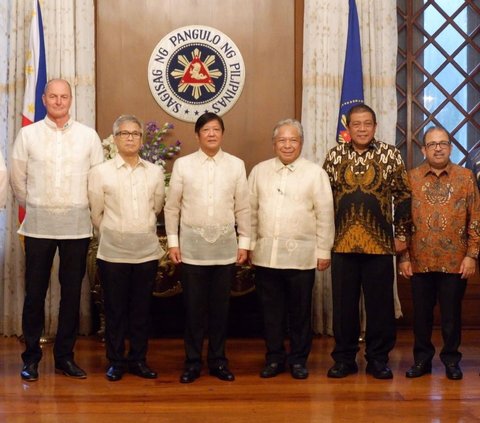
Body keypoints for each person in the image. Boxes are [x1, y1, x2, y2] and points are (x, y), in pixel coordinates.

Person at [10, 78, 104, 381]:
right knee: (34, 292)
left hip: (77, 227)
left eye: (64, 96)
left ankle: (65, 357)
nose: (59, 101)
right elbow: (18, 181)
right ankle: (31, 359)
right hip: (38, 225)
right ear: (44, 99)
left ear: (71, 99)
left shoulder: (88, 137)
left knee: (71, 293)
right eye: (53, 96)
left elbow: (97, 182)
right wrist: (39, 205)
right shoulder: (28, 135)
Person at [323, 104, 412, 379]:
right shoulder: (335, 156)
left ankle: (378, 359)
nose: (362, 128)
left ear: (375, 126)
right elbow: (323, 199)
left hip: (380, 245)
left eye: (367, 124)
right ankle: (344, 359)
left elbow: (404, 197)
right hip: (342, 245)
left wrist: (401, 235)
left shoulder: (390, 155)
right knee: (343, 307)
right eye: (356, 124)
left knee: (380, 307)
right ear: (347, 129)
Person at [164, 112, 250, 383]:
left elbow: (243, 207)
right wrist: (173, 242)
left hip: (225, 248)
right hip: (191, 248)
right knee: (193, 309)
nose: (211, 134)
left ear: (222, 134)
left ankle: (218, 361)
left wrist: (245, 242)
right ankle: (191, 362)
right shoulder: (183, 165)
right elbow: (172, 207)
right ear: (197, 135)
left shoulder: (236, 165)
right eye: (206, 130)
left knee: (220, 309)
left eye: (216, 129)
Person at [248, 118, 334, 379]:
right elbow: (250, 211)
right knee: (271, 313)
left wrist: (324, 251)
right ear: (274, 144)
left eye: (293, 140)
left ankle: (298, 360)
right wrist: (248, 245)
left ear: (301, 143)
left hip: (302, 257)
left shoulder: (315, 173)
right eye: (282, 140)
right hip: (265, 256)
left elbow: (325, 214)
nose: (287, 145)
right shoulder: (259, 171)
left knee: (299, 313)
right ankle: (274, 358)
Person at [399, 126, 480, 381]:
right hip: (419, 260)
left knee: (451, 316)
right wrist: (403, 257)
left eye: (443, 143)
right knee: (421, 316)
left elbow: (475, 218)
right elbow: (401, 221)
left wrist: (472, 255)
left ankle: (451, 360)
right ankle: (422, 360)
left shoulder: (465, 178)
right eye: (432, 144)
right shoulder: (410, 178)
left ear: (450, 147)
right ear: (423, 149)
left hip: (455, 261)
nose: (437, 148)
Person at [88, 115, 165, 382]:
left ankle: (139, 360)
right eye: (124, 133)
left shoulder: (154, 171)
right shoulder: (100, 172)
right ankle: (116, 361)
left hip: (145, 252)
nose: (130, 138)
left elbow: (156, 207)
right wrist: (115, 231)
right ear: (115, 138)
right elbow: (96, 213)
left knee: (142, 309)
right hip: (113, 252)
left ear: (142, 139)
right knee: (115, 309)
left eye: (135, 133)